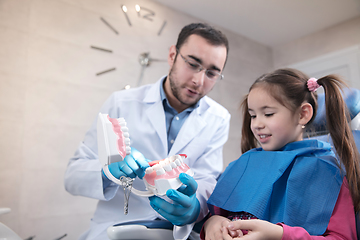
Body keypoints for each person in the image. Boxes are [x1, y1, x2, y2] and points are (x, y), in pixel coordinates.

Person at [64, 22, 230, 240]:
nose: (198, 81)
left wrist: (193, 208)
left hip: (175, 233)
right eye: (192, 64)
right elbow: (72, 176)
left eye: (211, 73)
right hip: (116, 227)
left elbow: (207, 180)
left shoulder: (218, 118)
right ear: (172, 55)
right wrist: (107, 172)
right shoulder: (121, 103)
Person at [202, 68, 360, 239]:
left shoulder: (327, 172)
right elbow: (217, 215)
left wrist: (280, 235)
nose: (256, 124)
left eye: (268, 114)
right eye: (253, 115)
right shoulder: (245, 163)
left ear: (302, 114)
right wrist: (212, 223)